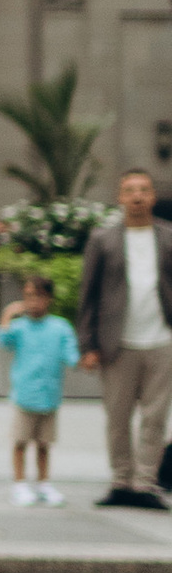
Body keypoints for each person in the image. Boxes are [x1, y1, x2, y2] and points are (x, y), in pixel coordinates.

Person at [77, 166, 172, 509]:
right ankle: (121, 481)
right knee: (117, 417)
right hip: (116, 344)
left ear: (153, 196)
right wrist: (87, 345)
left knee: (155, 417)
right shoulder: (103, 239)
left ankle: (145, 484)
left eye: (144, 190)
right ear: (120, 197)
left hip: (162, 341)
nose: (137, 197)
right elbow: (87, 296)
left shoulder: (167, 236)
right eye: (130, 190)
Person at [0, 274, 77, 507]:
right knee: (20, 441)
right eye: (28, 297)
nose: (33, 302)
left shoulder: (60, 327)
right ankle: (19, 483)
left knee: (44, 443)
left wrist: (84, 360)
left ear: (49, 299)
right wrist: (8, 315)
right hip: (25, 395)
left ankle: (43, 482)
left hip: (49, 396)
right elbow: (3, 341)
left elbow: (70, 354)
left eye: (38, 297)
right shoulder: (20, 327)